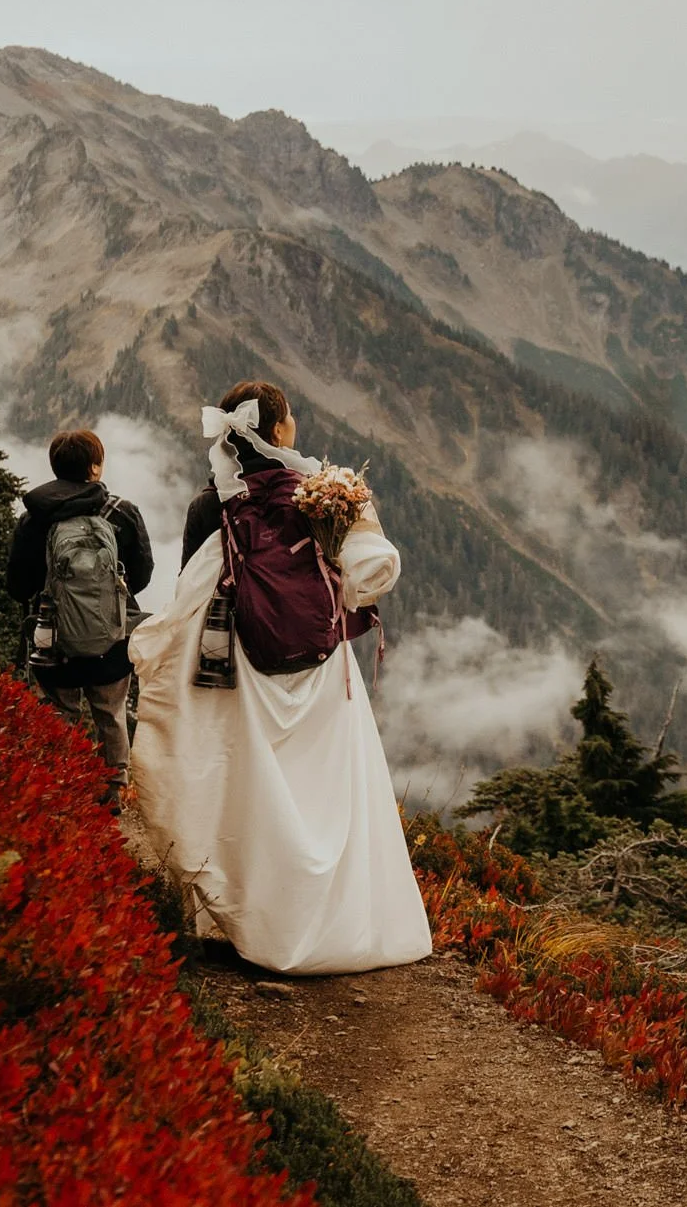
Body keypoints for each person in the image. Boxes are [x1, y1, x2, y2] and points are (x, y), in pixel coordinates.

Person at [129, 380, 431, 974]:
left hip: (245, 664)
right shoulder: (322, 498)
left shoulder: (210, 506)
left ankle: (253, 918)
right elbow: (366, 576)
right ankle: (339, 925)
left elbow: (191, 594)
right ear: (278, 430)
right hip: (322, 669)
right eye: (289, 416)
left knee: (251, 789)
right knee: (328, 791)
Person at [7, 427, 154, 795]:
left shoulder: (34, 520)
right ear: (96, 468)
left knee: (58, 714)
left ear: (55, 468)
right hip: (112, 639)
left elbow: (18, 585)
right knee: (110, 713)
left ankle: (59, 787)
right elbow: (143, 575)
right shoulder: (121, 513)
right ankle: (115, 788)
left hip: (53, 641)